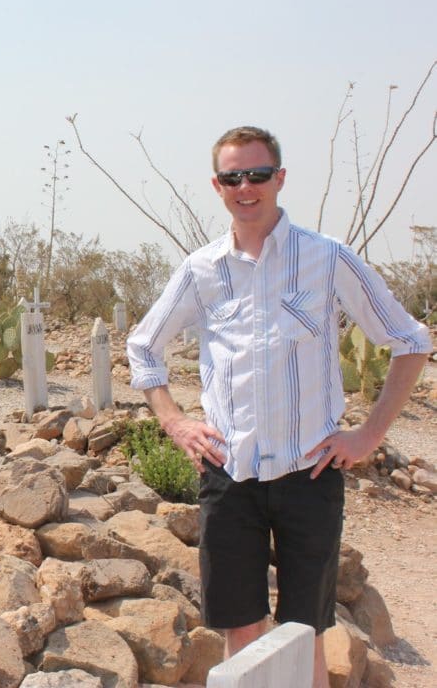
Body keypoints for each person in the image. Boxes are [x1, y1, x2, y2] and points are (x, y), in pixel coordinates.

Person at [126, 126, 431, 687]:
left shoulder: (327, 258)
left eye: (258, 174)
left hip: (308, 475)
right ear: (217, 187)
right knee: (240, 632)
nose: (246, 187)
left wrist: (366, 437)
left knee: (304, 632)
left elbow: (411, 340)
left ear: (279, 179)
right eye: (232, 177)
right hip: (229, 472)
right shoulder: (201, 270)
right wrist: (173, 421)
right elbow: (144, 346)